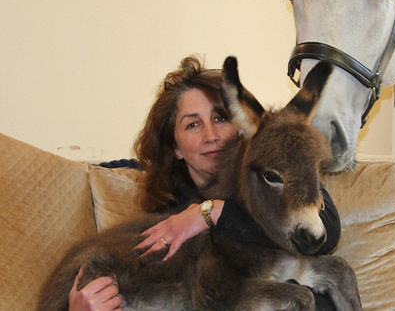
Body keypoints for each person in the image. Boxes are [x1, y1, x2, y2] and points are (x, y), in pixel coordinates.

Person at [68, 55, 341, 311]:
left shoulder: (273, 176)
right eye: (192, 125)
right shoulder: (171, 215)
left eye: (220, 118)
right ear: (175, 147)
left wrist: (212, 213)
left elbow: (324, 231)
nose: (211, 135)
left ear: (241, 123)